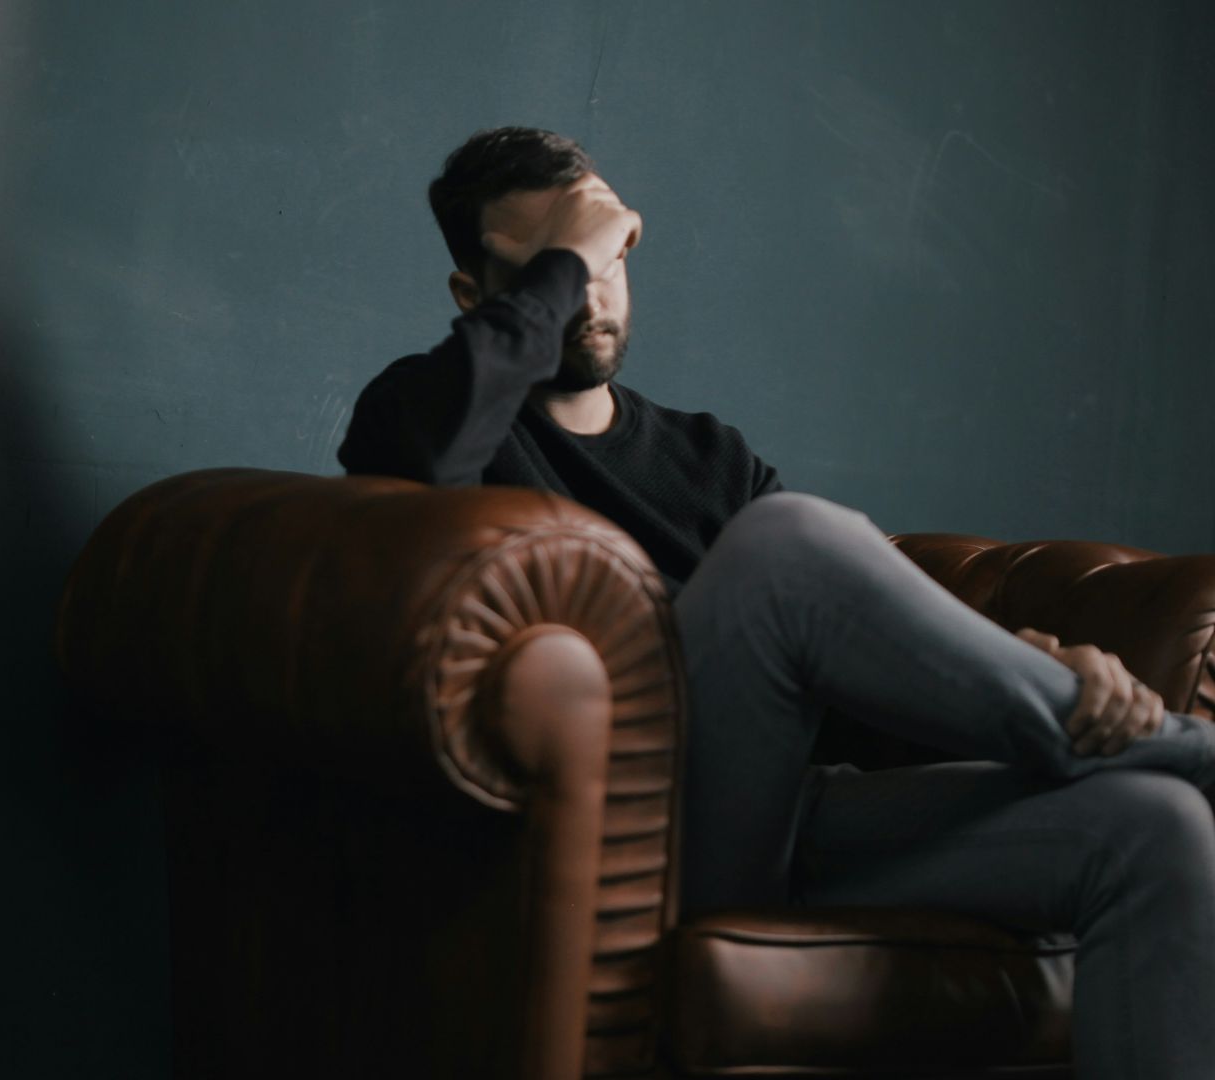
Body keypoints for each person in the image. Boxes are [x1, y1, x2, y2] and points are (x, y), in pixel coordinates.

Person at [337, 126, 1215, 1079]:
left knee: (1157, 827)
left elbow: (848, 661)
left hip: (790, 820)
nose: (590, 292)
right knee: (786, 541)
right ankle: (1185, 747)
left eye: (609, 256)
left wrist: (1023, 663)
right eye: (558, 265)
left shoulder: (709, 455)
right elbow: (421, 458)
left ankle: (1142, 752)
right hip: (636, 843)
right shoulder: (426, 415)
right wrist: (572, 254)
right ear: (475, 295)